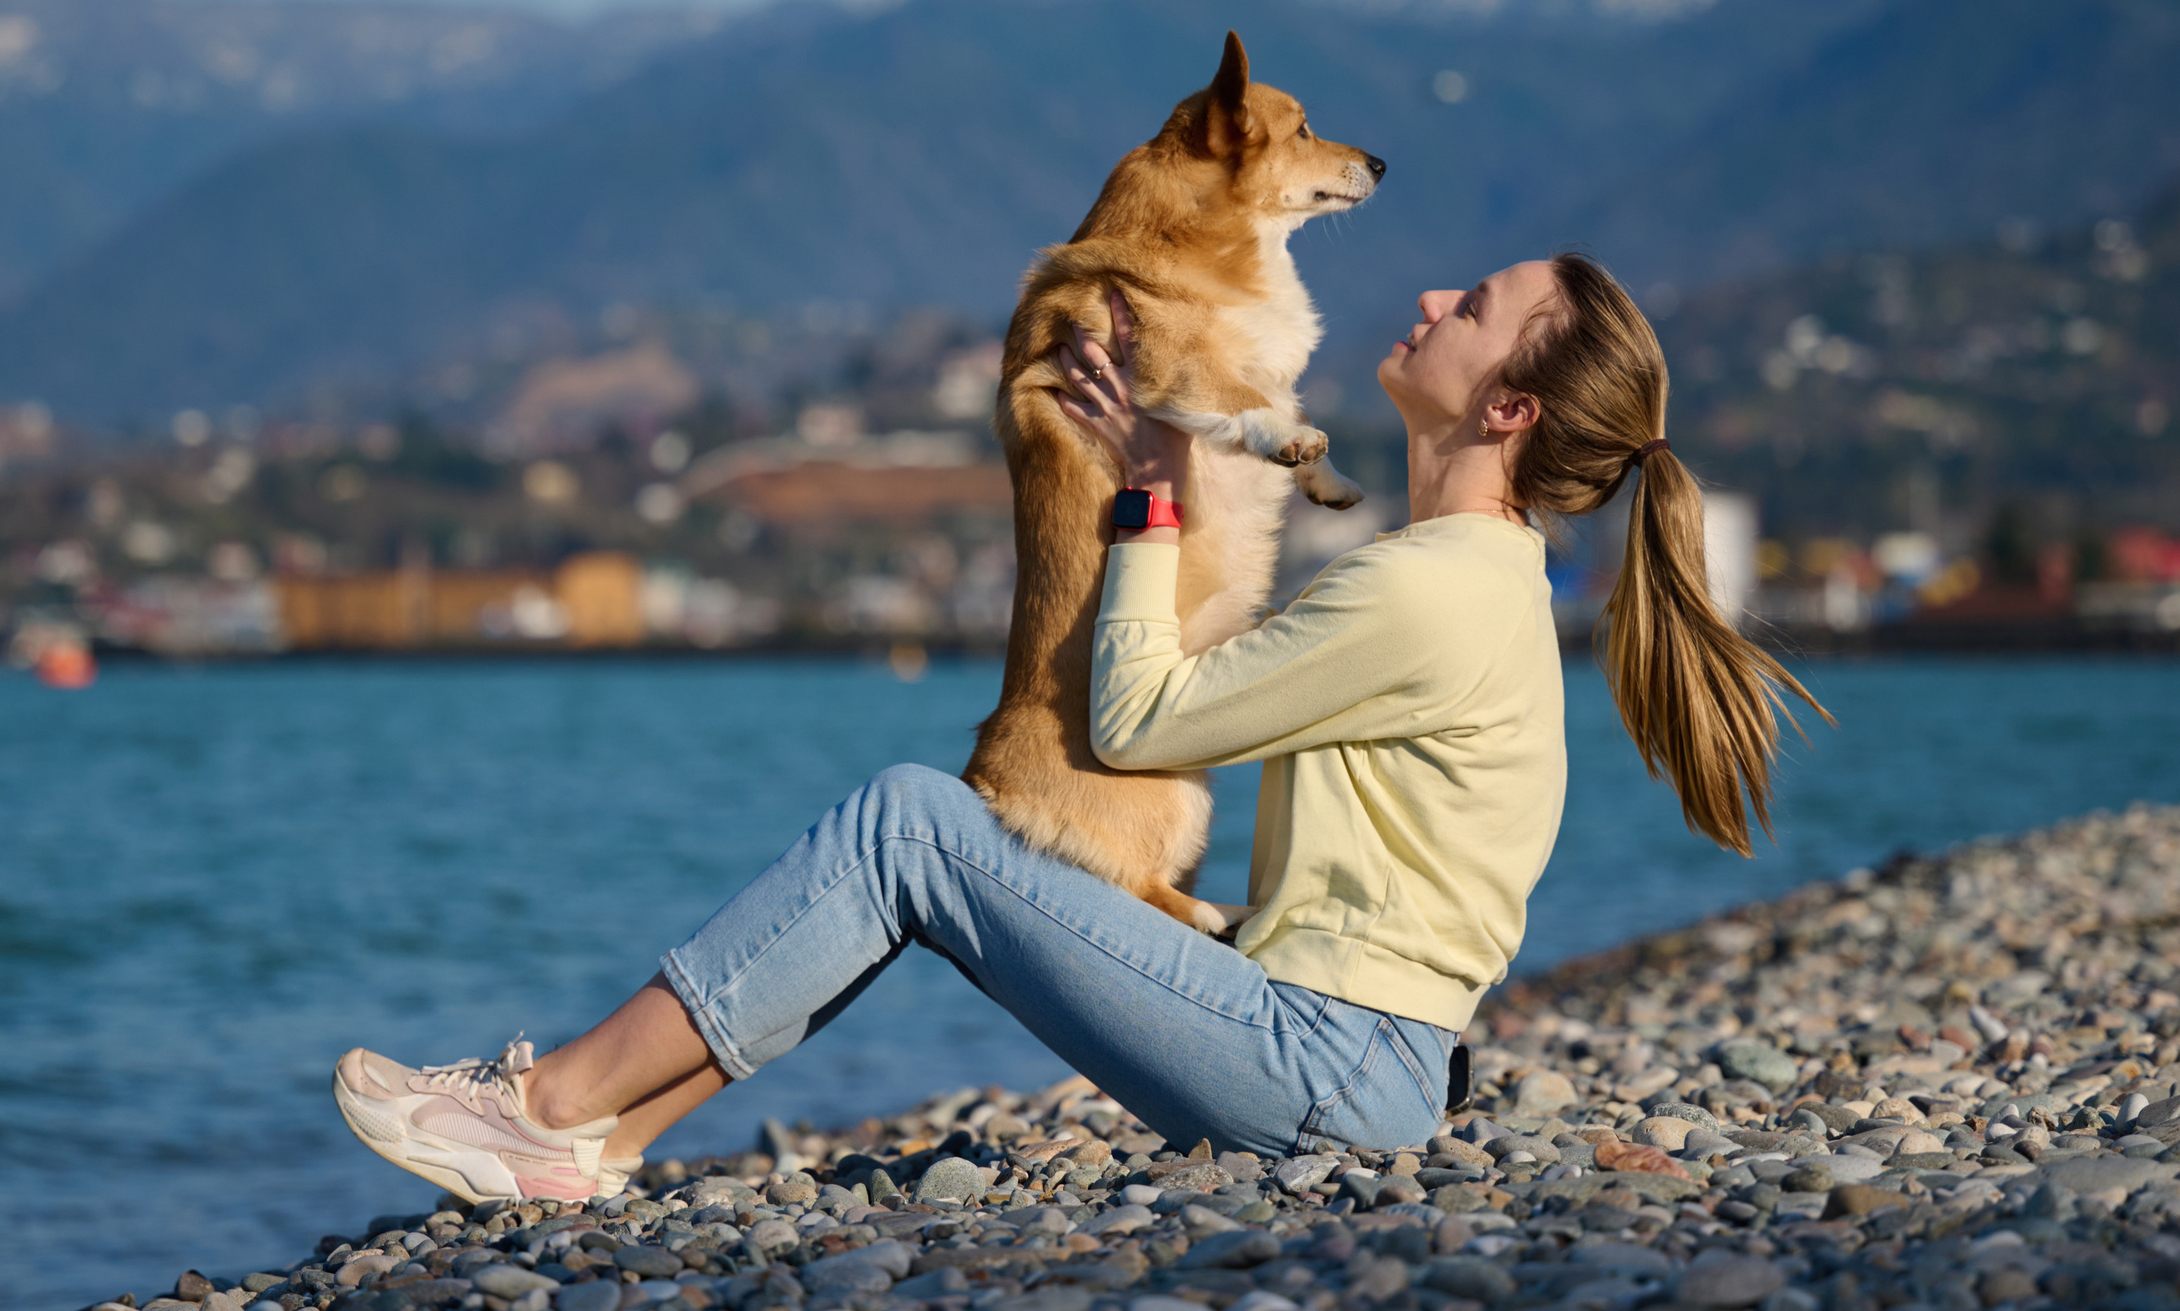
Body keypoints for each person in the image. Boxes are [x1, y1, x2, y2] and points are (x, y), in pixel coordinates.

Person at [332, 254, 1827, 1204]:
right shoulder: (1470, 584)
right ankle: (604, 1143)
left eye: (1476, 311)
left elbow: (1133, 720)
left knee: (911, 825)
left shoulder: (1435, 593)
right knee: (934, 852)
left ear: (1507, 409)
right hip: (1353, 1049)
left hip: (1328, 1069)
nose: (1434, 298)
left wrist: (1143, 492)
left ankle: (544, 1104)